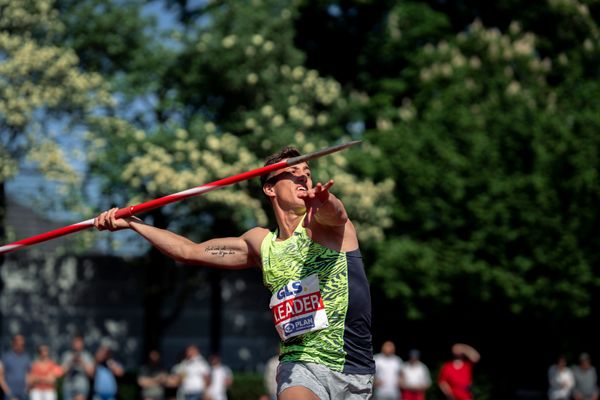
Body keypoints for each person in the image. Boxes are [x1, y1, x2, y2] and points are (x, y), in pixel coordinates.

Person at [94, 146, 376, 400]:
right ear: (270, 188)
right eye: (293, 172)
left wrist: (325, 201)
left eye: (307, 171)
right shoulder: (260, 244)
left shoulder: (324, 224)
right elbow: (189, 251)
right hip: (300, 364)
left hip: (352, 366)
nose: (303, 176)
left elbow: (335, 212)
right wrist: (133, 224)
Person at [61, 335, 94, 400]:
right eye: (75, 342)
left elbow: (91, 373)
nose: (77, 344)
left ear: (82, 344)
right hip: (68, 388)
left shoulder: (87, 356)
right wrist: (71, 362)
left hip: (81, 388)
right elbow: (62, 372)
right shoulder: (66, 355)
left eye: (79, 342)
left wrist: (82, 362)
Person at [2, 334, 31, 400]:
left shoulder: (26, 358)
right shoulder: (5, 357)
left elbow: (28, 375)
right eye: (18, 343)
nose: (20, 345)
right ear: (13, 343)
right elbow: (1, 376)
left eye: (22, 344)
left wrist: (27, 389)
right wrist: (8, 392)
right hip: (10, 394)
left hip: (23, 394)